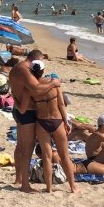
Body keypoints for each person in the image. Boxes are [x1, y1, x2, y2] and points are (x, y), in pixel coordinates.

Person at [19, 60, 77, 193]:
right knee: (64, 156)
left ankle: (49, 188)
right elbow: (61, 105)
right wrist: (66, 121)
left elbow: (22, 110)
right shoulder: (55, 84)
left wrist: (15, 100)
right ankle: (73, 187)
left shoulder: (31, 89)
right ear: (43, 70)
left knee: (46, 157)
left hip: (42, 122)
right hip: (57, 121)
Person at [8, 50, 61, 193]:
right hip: (27, 113)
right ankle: (25, 184)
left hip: (19, 110)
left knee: (20, 146)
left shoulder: (18, 67)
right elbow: (36, 90)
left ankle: (19, 177)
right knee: (27, 149)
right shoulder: (25, 69)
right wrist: (53, 83)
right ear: (36, 59)